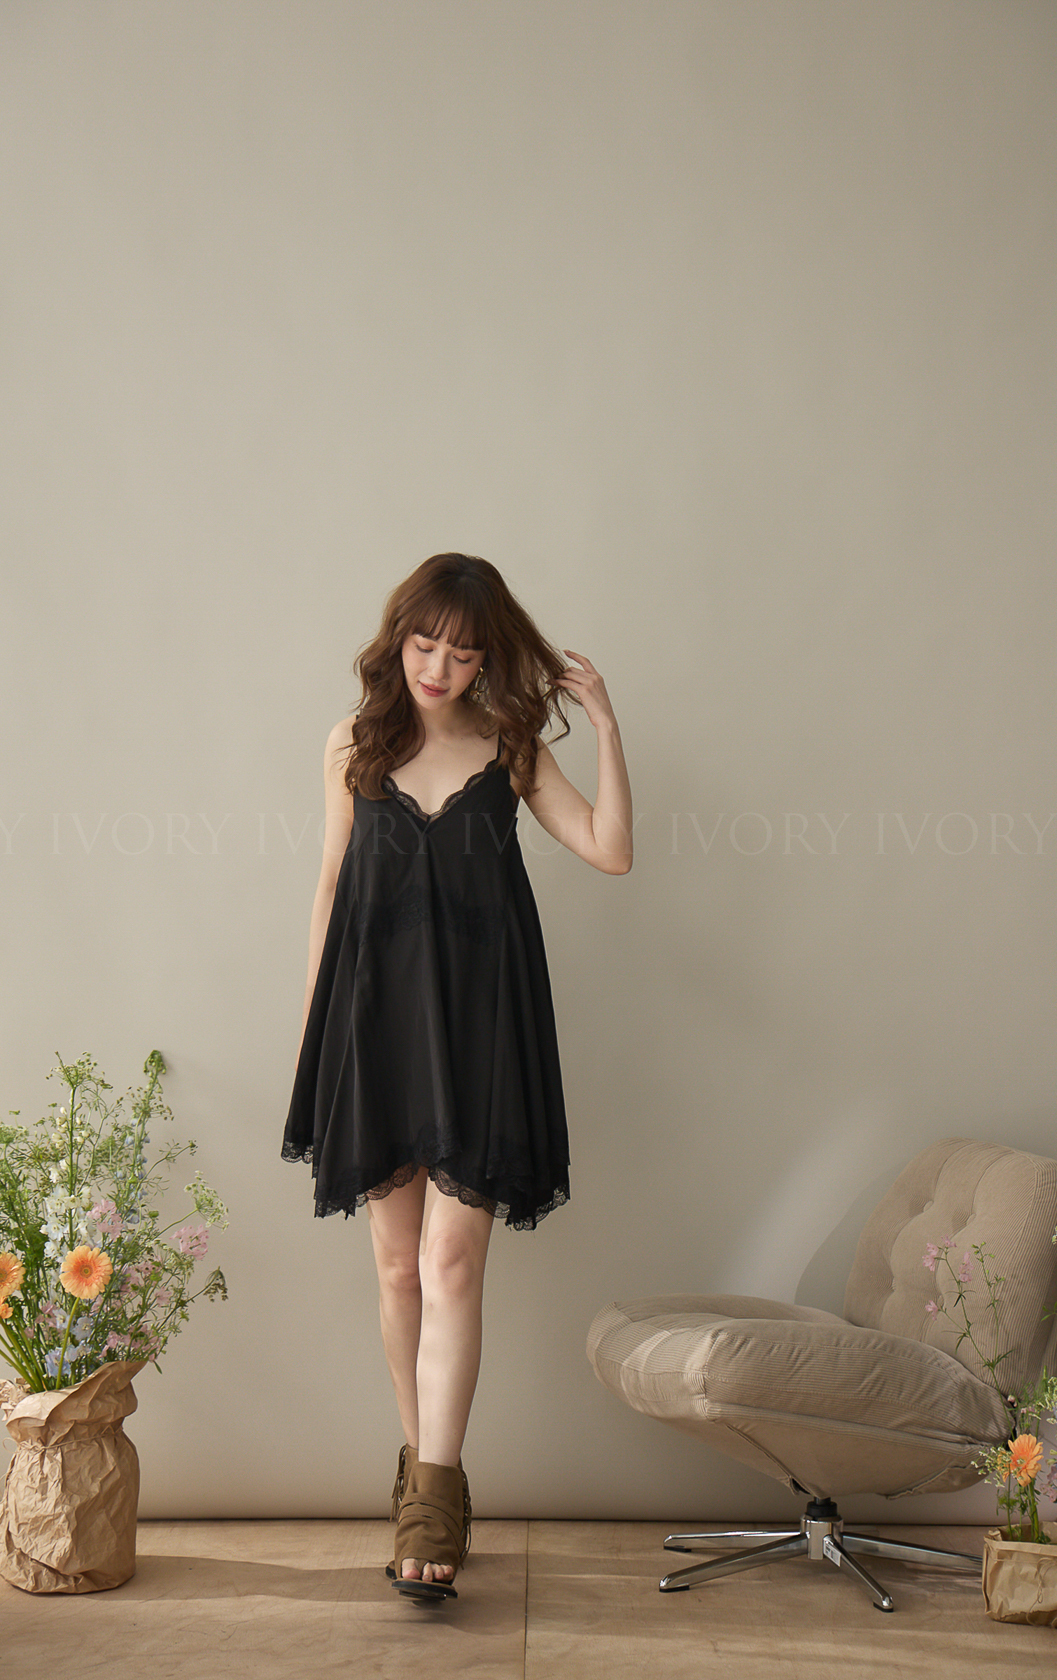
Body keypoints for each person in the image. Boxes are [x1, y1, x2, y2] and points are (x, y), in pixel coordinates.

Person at [282, 553, 632, 1601]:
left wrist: (606, 727)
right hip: (376, 1030)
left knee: (451, 1263)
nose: (437, 667)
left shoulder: (511, 746)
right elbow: (332, 883)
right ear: (399, 637)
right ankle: (426, 1480)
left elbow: (609, 849)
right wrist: (315, 1032)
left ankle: (433, 1499)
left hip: (480, 1035)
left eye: (462, 652)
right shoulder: (354, 745)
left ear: (487, 660)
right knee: (397, 1270)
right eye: (424, 643)